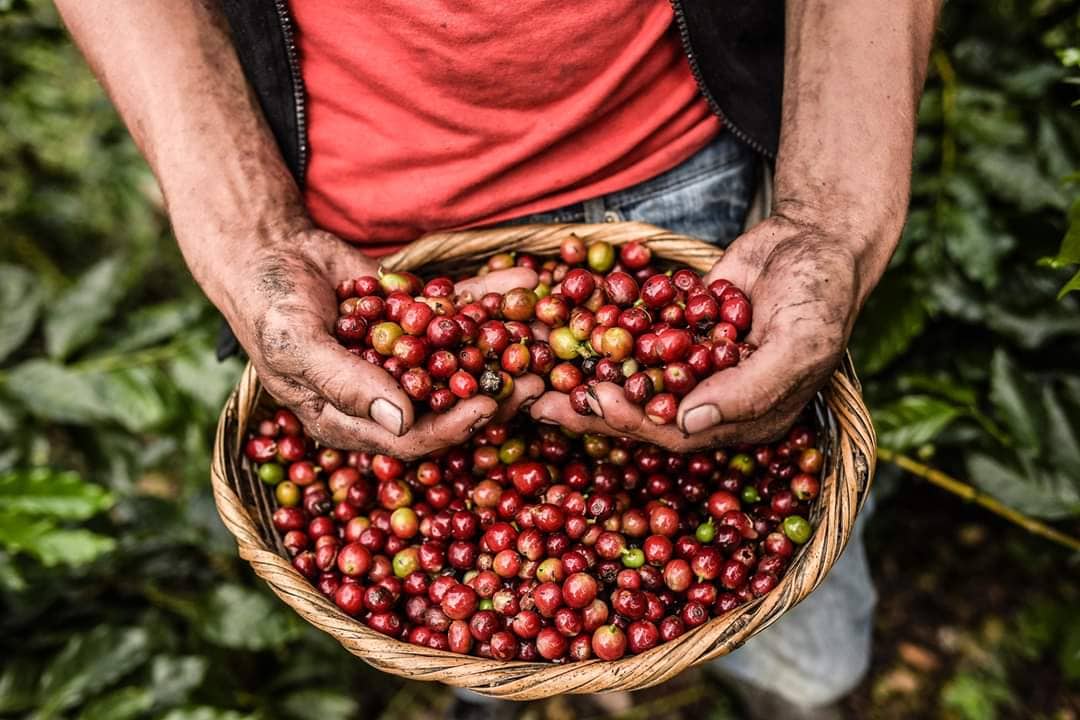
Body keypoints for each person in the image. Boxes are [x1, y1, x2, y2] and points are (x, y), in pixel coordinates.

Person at [56, 1, 939, 717]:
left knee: (789, 575)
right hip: (357, 241)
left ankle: (796, 688)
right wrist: (247, 221)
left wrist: (833, 208)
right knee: (460, 611)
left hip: (677, 154)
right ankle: (494, 685)